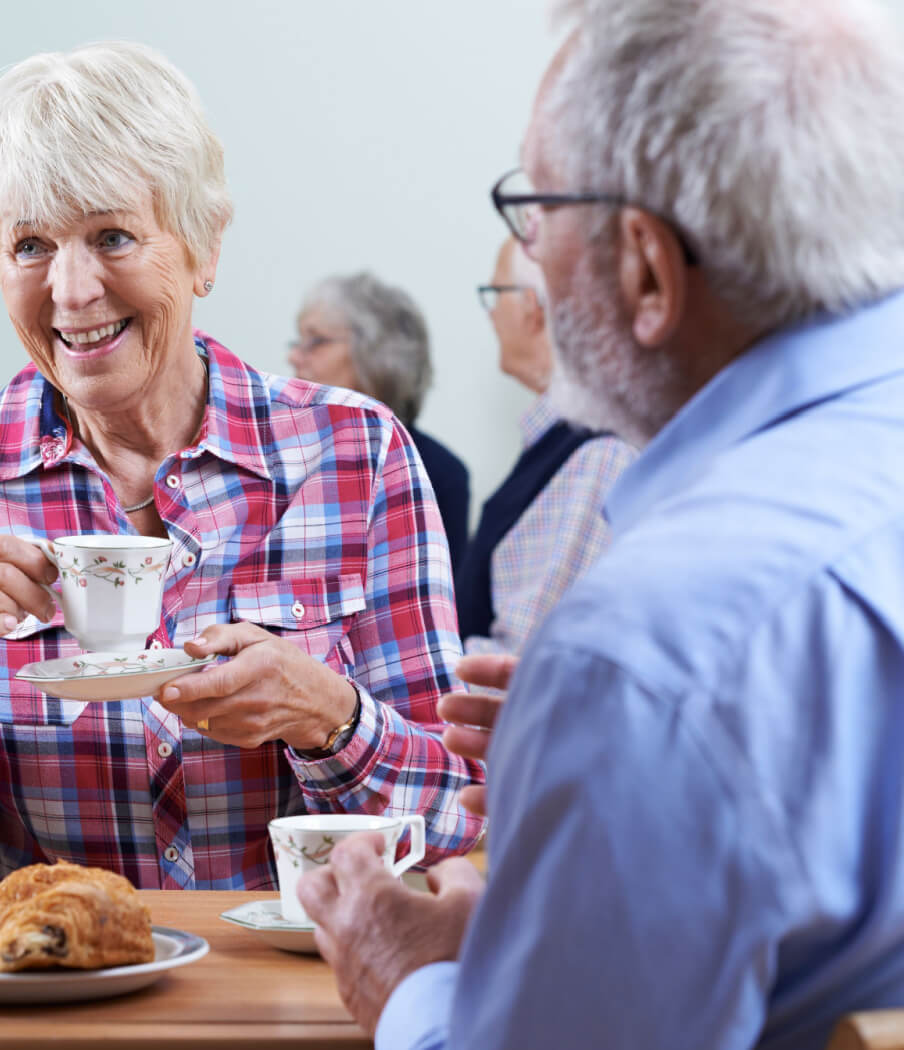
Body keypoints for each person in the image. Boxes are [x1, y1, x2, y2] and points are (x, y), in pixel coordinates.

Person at [299, 1, 904, 1047]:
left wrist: (401, 978)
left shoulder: (642, 656)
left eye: (534, 207)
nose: (524, 256)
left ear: (645, 270)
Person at [0, 41, 483, 891]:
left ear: (202, 247)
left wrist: (330, 718)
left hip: (296, 1005)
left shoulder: (356, 455)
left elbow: (452, 817)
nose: (70, 291)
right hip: (50, 997)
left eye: (112, 235)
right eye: (30, 247)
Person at [456, 240, 635, 657]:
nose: (490, 312)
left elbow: (520, 663)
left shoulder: (597, 455)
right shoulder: (561, 443)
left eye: (494, 293)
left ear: (531, 307)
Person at [291, 272, 472, 567]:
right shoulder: (282, 454)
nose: (295, 357)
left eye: (315, 341)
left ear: (376, 356)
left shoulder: (438, 474)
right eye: (298, 341)